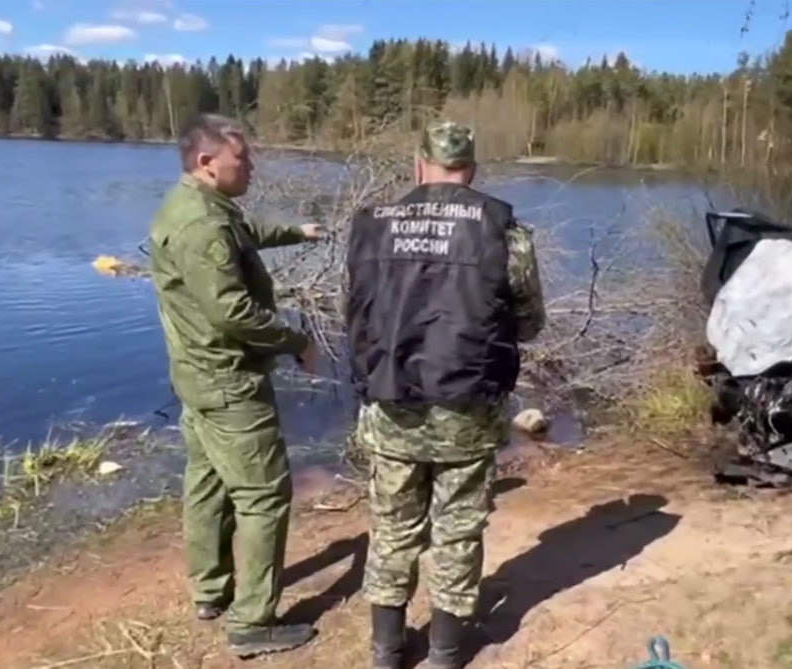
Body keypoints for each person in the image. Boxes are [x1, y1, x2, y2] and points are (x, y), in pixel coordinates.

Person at [345, 120, 546, 669]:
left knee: (391, 527)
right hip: (468, 404)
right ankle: (445, 652)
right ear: (472, 172)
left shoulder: (372, 226)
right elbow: (528, 322)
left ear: (418, 167)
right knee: (457, 527)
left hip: (392, 404)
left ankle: (386, 651)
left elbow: (356, 310)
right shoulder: (503, 230)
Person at [147, 113, 325, 659]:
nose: (250, 166)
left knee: (206, 481)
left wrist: (296, 231)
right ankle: (253, 621)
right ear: (207, 163)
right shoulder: (202, 226)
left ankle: (210, 590)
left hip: (197, 378)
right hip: (228, 380)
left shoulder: (198, 208)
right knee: (264, 494)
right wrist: (295, 341)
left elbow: (242, 237)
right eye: (242, 158)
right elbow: (233, 311)